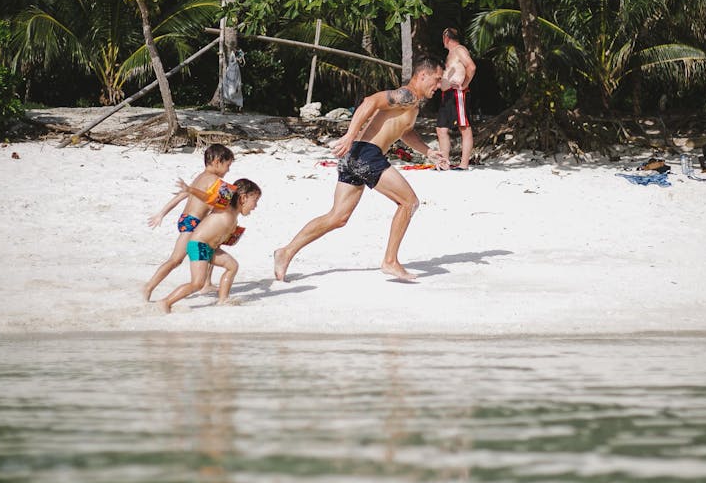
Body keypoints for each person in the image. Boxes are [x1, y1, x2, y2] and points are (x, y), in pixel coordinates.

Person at [273, 57, 448, 282]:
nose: (439, 85)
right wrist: (349, 134)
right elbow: (370, 102)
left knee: (337, 217)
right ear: (422, 75)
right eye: (437, 79)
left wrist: (428, 152)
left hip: (355, 155)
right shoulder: (407, 95)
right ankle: (390, 261)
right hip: (366, 153)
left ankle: (285, 252)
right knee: (409, 202)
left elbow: (405, 132)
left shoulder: (412, 104)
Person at [143, 143, 234, 301]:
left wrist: (162, 213)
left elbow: (182, 195)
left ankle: (206, 283)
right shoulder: (214, 181)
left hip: (188, 220)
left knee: (211, 245)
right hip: (193, 222)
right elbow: (223, 202)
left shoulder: (200, 177)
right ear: (217, 161)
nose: (228, 170)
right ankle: (148, 287)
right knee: (175, 259)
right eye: (228, 165)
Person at [160, 178, 262, 313]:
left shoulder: (234, 217)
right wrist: (190, 189)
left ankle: (223, 299)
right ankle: (166, 302)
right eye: (255, 201)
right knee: (197, 283)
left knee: (232, 266)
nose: (255, 206)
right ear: (243, 198)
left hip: (210, 249)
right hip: (198, 245)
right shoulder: (224, 207)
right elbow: (208, 197)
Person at [436, 27, 477, 170]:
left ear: (446, 37)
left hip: (457, 93)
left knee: (464, 127)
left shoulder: (460, 50)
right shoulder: (451, 53)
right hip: (447, 95)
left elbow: (471, 67)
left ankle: (464, 164)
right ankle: (444, 163)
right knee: (441, 128)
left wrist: (464, 84)